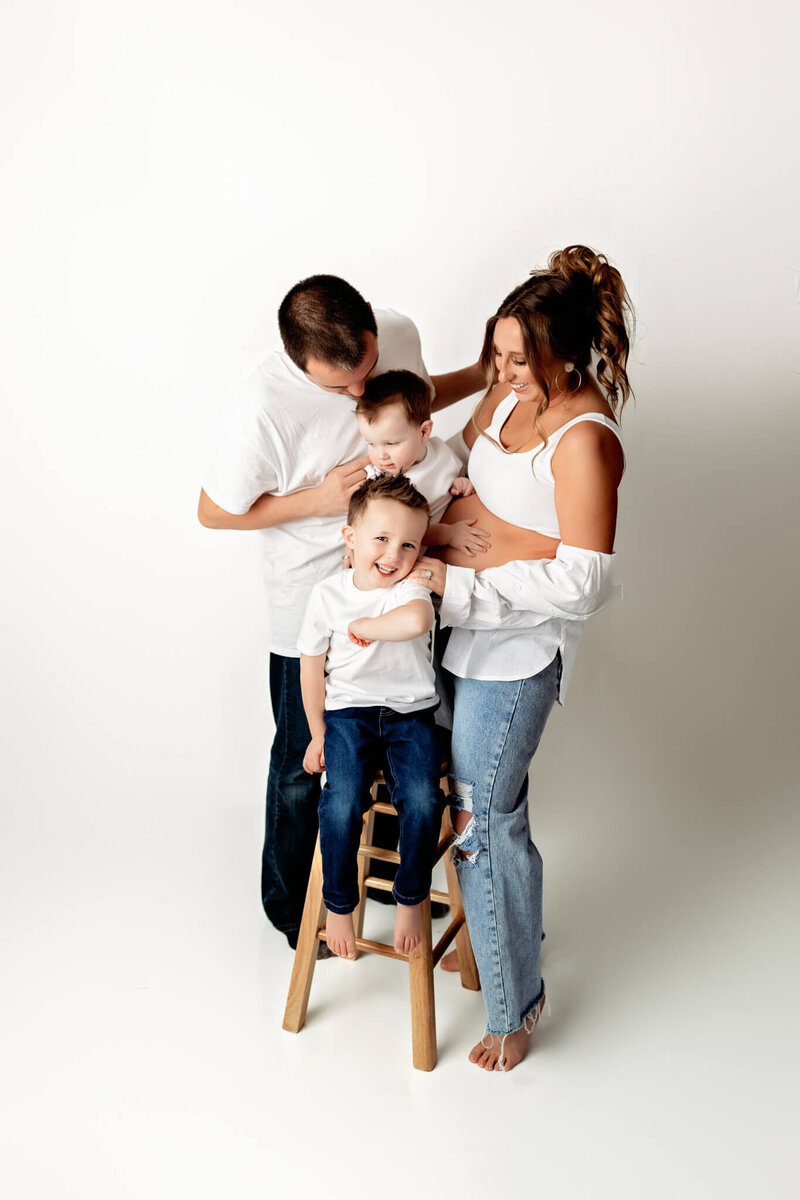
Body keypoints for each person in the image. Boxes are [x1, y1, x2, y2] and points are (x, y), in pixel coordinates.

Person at [198, 274, 482, 948]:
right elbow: (214, 510)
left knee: (403, 737)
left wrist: (482, 374)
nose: (360, 393)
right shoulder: (260, 407)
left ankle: (386, 881)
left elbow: (409, 401)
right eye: (341, 386)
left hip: (400, 582)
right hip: (313, 602)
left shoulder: (397, 334)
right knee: (307, 762)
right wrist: (321, 500)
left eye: (368, 370)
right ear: (299, 360)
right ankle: (294, 908)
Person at [408, 244, 634, 1072]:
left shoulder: (582, 439)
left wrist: (486, 561)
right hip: (453, 632)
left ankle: (513, 1006)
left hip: (513, 655)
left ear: (566, 355)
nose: (504, 374)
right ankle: (510, 934)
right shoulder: (504, 401)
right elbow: (457, 469)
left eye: (520, 360)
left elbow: (585, 580)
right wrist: (481, 536)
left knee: (481, 819)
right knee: (486, 813)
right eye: (498, 356)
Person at [297, 474, 446, 958]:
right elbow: (311, 667)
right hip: (347, 715)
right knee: (341, 804)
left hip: (410, 716)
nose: (394, 555)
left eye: (408, 544)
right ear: (351, 537)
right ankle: (339, 904)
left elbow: (417, 622)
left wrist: (366, 625)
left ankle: (409, 895)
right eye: (381, 539)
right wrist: (317, 732)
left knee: (422, 801)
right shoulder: (327, 596)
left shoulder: (409, 589)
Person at [356, 369, 490, 557]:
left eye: (391, 443)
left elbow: (449, 476)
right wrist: (449, 534)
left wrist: (459, 484)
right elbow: (401, 534)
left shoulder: (442, 453)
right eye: (371, 443)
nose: (380, 455)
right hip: (395, 561)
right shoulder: (379, 483)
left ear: (424, 432)